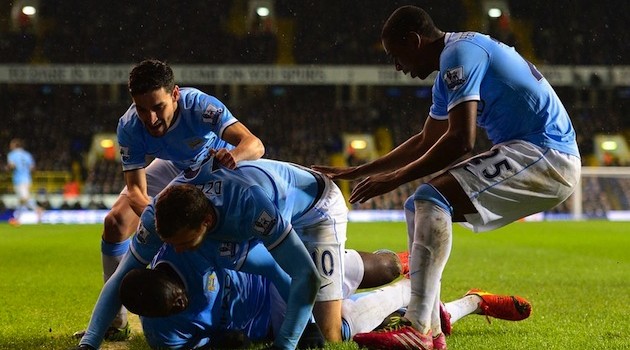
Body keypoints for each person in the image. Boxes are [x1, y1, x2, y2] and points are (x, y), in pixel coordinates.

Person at [312, 5, 581, 350]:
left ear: (414, 40)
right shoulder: (449, 69)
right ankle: (432, 327)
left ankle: (419, 328)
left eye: (397, 56)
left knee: (429, 197)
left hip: (546, 154)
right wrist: (358, 171)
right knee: (418, 205)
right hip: (535, 152)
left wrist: (393, 178)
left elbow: (460, 141)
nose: (398, 67)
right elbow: (427, 140)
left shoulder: (459, 54)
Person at [76, 155, 347, 349]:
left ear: (205, 224)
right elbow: (122, 275)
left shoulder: (250, 208)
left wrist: (289, 341)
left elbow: (304, 274)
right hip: (262, 219)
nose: (176, 250)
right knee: (296, 310)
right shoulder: (158, 214)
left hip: (315, 207)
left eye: (182, 242)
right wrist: (89, 343)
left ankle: (389, 287)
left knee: (327, 332)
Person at [100, 58, 264, 337]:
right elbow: (136, 192)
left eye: (158, 107)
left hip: (216, 169)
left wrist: (230, 158)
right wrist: (161, 223)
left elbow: (254, 145)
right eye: (142, 109)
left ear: (175, 94)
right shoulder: (129, 126)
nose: (150, 119)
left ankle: (244, 305)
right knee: (115, 222)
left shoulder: (201, 106)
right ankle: (116, 323)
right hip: (175, 168)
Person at [118, 245, 532, 349]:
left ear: (166, 276)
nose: (182, 307)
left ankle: (414, 267)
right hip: (270, 321)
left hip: (281, 275)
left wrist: (304, 306)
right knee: (340, 329)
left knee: (381, 266)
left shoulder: (185, 249)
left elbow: (270, 263)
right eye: (173, 312)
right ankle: (456, 299)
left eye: (179, 299)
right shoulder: (162, 336)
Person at [6, 138, 38, 225]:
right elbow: (32, 167)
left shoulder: (12, 155)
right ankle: (17, 219)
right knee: (21, 200)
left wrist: (7, 168)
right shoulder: (27, 154)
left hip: (18, 179)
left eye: (11, 144)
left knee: (24, 197)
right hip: (27, 179)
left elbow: (12, 166)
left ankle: (38, 209)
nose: (10, 146)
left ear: (15, 145)